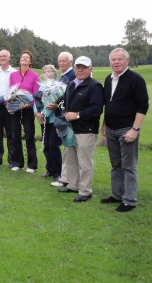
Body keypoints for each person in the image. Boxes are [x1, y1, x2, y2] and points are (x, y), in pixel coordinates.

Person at [100, 48, 149, 212]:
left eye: (120, 59)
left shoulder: (136, 79)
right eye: (113, 59)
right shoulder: (108, 79)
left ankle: (129, 200)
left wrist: (135, 129)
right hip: (112, 128)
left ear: (127, 61)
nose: (116, 62)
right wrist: (105, 124)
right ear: (110, 62)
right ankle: (117, 195)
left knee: (129, 166)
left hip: (127, 129)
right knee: (116, 164)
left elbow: (143, 105)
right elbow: (109, 104)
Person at [57, 56, 104, 202]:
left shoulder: (95, 86)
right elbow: (66, 104)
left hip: (86, 129)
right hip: (70, 129)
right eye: (78, 67)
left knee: (84, 161)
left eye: (84, 67)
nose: (80, 70)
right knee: (70, 159)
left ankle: (85, 191)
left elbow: (96, 110)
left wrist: (77, 115)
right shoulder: (71, 84)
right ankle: (72, 185)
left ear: (90, 69)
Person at [9, 50, 40, 173]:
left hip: (27, 110)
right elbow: (10, 92)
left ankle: (32, 164)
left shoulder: (34, 76)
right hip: (15, 109)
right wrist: (10, 104)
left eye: (27, 58)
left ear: (30, 61)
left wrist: (27, 104)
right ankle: (18, 162)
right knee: (15, 135)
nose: (24, 59)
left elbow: (36, 94)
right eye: (23, 57)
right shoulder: (13, 75)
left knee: (29, 136)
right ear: (20, 60)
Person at [50, 52, 76, 187]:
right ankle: (65, 177)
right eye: (59, 61)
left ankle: (66, 178)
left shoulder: (73, 76)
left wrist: (57, 104)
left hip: (70, 117)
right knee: (67, 148)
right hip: (63, 115)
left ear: (71, 62)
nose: (61, 63)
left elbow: (69, 99)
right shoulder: (63, 76)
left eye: (64, 61)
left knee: (69, 148)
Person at [34, 65, 62, 179]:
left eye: (49, 71)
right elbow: (36, 101)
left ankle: (58, 172)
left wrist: (45, 113)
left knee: (53, 145)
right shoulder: (41, 87)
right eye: (44, 71)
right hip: (44, 121)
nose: (46, 73)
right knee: (46, 145)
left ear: (54, 74)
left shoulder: (58, 87)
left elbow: (57, 103)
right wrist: (37, 113)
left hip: (54, 120)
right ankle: (49, 169)